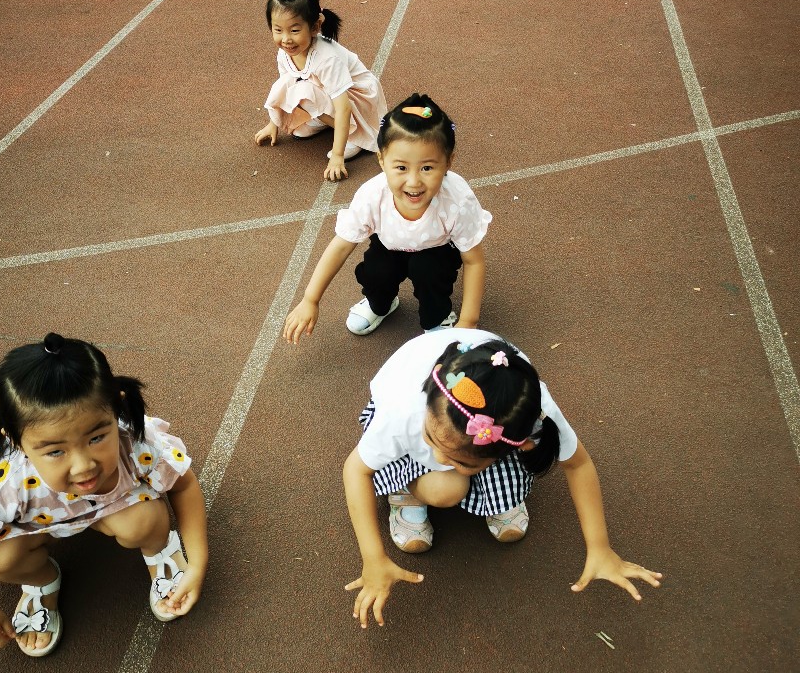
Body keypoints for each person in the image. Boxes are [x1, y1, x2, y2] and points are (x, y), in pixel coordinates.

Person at [343, 330, 663, 627]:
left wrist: (600, 548)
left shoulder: (533, 415)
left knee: (460, 473)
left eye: (457, 460)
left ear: (517, 446)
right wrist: (373, 559)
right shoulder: (404, 411)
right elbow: (356, 469)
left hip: (476, 429)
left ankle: (483, 478)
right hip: (421, 423)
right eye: (432, 440)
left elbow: (578, 465)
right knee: (446, 488)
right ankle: (406, 488)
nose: (438, 459)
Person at [0, 333, 209, 658]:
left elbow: (184, 485)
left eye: (96, 438)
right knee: (1, 560)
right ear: (16, 442)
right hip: (31, 523)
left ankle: (161, 552)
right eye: (55, 451)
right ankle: (41, 580)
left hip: (108, 507)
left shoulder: (135, 443)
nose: (83, 466)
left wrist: (197, 564)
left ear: (116, 408)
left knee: (145, 522)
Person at [284, 94, 489, 342]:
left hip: (437, 251)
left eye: (427, 168)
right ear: (381, 160)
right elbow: (340, 247)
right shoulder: (372, 195)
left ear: (448, 162)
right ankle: (381, 303)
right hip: (389, 246)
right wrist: (310, 299)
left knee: (429, 272)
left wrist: (468, 321)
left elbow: (474, 261)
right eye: (401, 167)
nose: (413, 182)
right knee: (377, 271)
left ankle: (436, 318)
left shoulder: (457, 201)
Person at [256, 0, 387, 183]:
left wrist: (337, 156)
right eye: (278, 30)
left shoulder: (327, 58)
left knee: (302, 91)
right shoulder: (285, 53)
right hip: (330, 93)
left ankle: (355, 135)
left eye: (295, 30)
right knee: (290, 86)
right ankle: (322, 118)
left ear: (315, 26)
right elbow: (283, 89)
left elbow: (343, 107)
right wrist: (274, 123)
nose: (286, 39)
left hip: (358, 100)